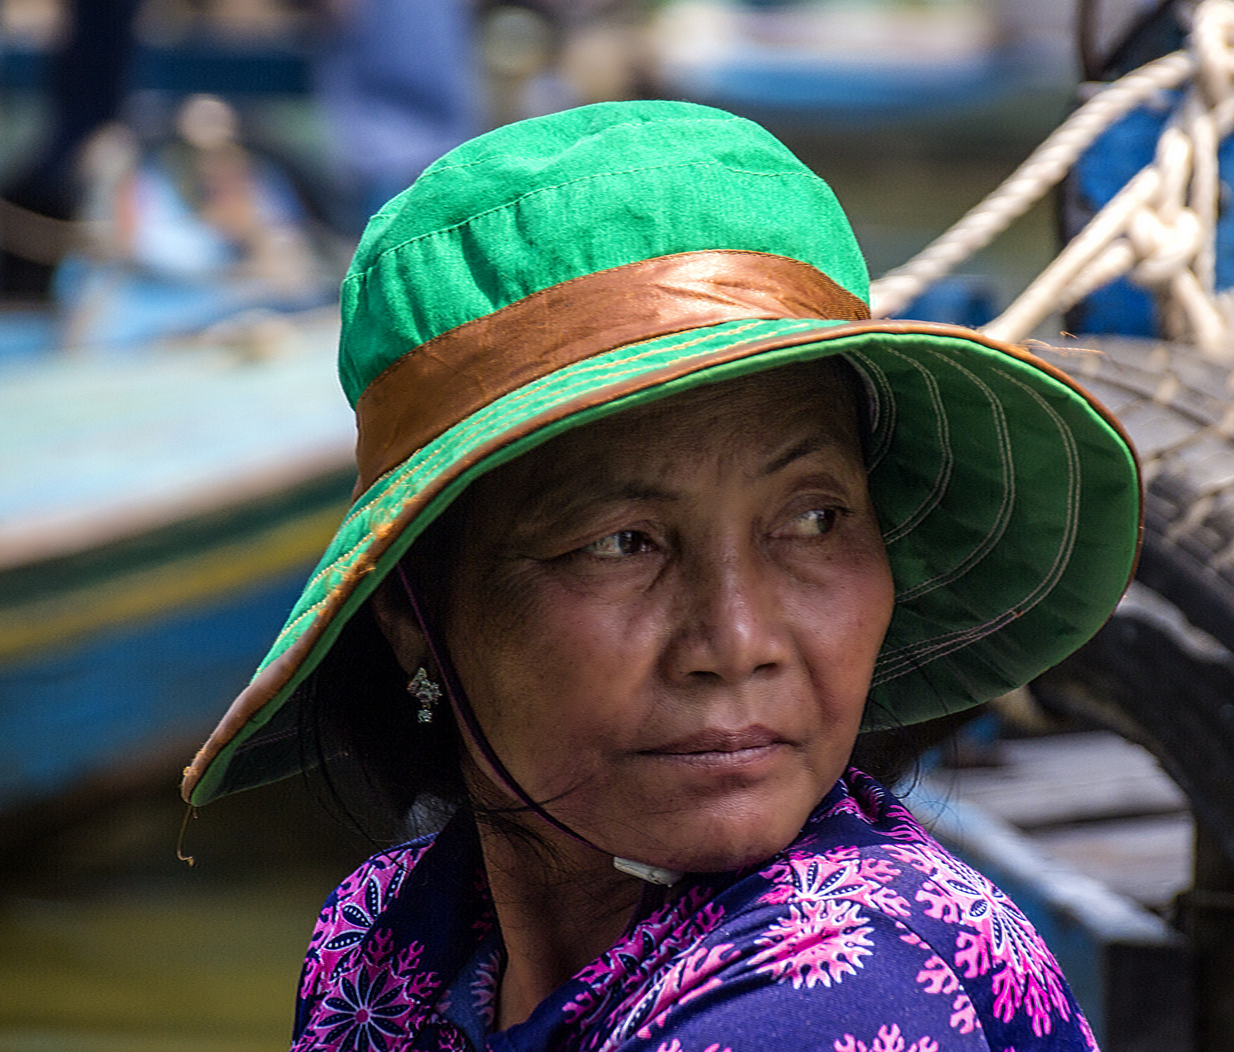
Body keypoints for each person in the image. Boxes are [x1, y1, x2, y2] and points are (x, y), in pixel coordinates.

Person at [179, 99, 1143, 1052]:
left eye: (812, 521)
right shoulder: (381, 944)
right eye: (621, 543)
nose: (737, 643)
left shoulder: (841, 986)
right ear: (410, 610)